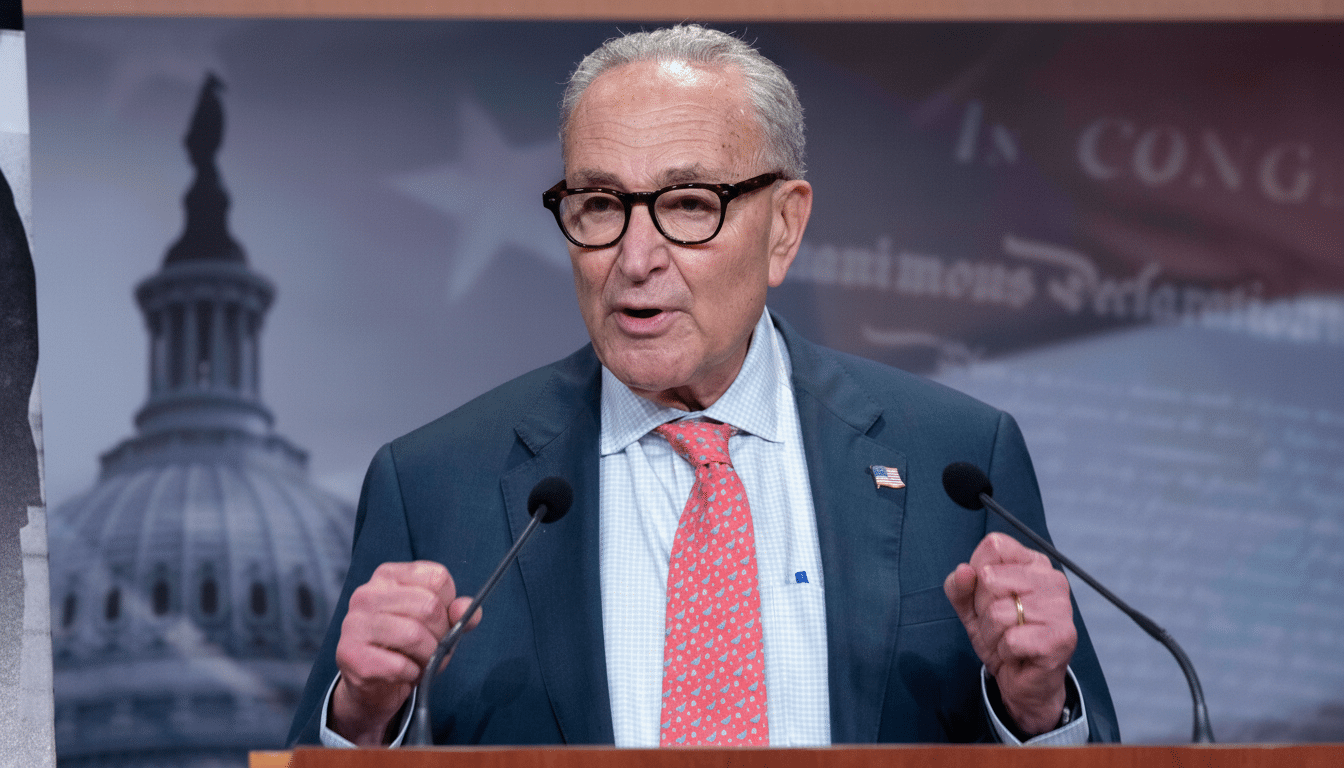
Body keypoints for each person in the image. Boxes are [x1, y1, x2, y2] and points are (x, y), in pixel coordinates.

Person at [289, 24, 1118, 749]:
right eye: (599, 204)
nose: (635, 257)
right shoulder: (435, 484)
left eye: (689, 205)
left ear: (784, 227)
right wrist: (363, 718)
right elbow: (329, 747)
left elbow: (1083, 742)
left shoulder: (955, 462)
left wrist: (1036, 709)